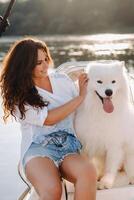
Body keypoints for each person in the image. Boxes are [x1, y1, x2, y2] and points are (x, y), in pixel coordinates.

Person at [0, 37, 97, 200]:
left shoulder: (62, 80)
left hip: (69, 145)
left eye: (46, 59)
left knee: (88, 172)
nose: (46, 66)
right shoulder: (18, 94)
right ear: (25, 65)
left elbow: (81, 109)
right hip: (38, 148)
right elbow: (49, 119)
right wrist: (80, 96)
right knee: (53, 189)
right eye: (39, 63)